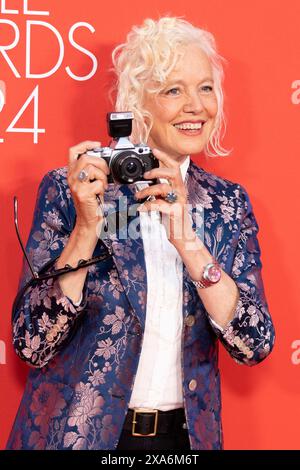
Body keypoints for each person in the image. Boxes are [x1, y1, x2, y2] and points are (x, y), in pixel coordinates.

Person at [7, 17, 275, 451]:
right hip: (79, 437)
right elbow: (31, 343)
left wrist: (189, 243)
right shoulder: (72, 188)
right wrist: (86, 228)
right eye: (173, 90)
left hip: (182, 443)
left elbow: (255, 343)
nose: (196, 106)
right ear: (137, 105)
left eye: (205, 88)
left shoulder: (227, 204)